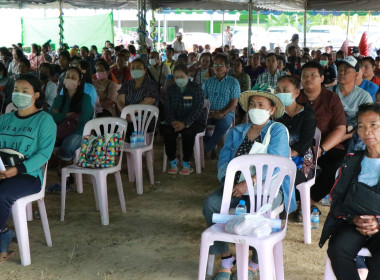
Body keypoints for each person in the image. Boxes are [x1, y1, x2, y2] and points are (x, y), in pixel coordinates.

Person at [203, 89, 292, 280]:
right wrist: (229, 181)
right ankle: (226, 258)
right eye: (252, 104)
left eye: (261, 105)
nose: (256, 108)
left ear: (271, 110)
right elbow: (224, 161)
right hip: (236, 187)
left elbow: (276, 163)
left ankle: (254, 264)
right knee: (211, 204)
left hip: (267, 190)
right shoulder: (237, 131)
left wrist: (249, 182)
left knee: (258, 214)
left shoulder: (276, 130)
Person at [319, 103, 380, 280]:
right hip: (354, 222)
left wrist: (377, 221)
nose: (366, 131)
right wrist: (353, 219)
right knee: (338, 249)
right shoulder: (351, 161)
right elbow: (336, 199)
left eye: (373, 125)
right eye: (361, 126)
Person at [0, 74, 56, 263]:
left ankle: (2, 237)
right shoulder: (4, 119)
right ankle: (4, 234)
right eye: (16, 90)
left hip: (28, 176)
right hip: (2, 171)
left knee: (2, 194)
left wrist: (17, 170)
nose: (19, 94)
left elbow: (43, 154)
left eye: (25, 91)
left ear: (36, 95)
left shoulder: (45, 120)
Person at [297, 61, 346, 212]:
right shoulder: (296, 97)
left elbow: (340, 128)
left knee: (336, 167)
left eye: (313, 75)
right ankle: (294, 199)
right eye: (305, 76)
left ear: (322, 78)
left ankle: (308, 202)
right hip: (299, 145)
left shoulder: (331, 98)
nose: (308, 79)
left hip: (327, 146)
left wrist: (321, 149)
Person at [275, 75, 316, 221]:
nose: (280, 93)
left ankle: (286, 208)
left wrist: (286, 156)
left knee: (283, 173)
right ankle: (276, 205)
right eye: (278, 90)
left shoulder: (307, 113)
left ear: (297, 93)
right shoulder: (276, 114)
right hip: (279, 156)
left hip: (302, 159)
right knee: (270, 172)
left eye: (285, 90)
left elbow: (305, 143)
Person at [162, 64, 206, 175]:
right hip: (175, 121)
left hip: (194, 121)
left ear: (188, 75)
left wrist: (185, 123)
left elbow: (198, 109)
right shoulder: (171, 89)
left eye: (181, 76)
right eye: (176, 77)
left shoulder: (196, 88)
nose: (179, 79)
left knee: (188, 133)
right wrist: (172, 121)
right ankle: (173, 162)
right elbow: (167, 108)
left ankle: (186, 163)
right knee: (166, 131)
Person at [50, 67, 94, 167]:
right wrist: (67, 115)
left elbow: (84, 120)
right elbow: (52, 117)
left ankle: (66, 167)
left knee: (67, 146)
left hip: (79, 131)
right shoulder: (59, 99)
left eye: (73, 77)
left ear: (79, 82)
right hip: (59, 130)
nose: (70, 79)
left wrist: (59, 115)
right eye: (67, 76)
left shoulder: (85, 98)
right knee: (45, 142)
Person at [202, 54, 240, 158]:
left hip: (226, 114)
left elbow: (234, 102)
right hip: (209, 113)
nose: (217, 67)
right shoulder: (208, 82)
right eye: (215, 64)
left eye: (220, 65)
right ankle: (211, 145)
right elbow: (202, 99)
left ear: (227, 67)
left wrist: (222, 113)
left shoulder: (233, 82)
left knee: (222, 125)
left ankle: (207, 148)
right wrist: (208, 112)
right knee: (198, 123)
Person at [116, 58, 159, 138]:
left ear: (145, 70)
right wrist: (125, 113)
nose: (135, 70)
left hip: (145, 119)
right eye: (132, 68)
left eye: (138, 68)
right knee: (114, 128)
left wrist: (130, 113)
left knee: (130, 128)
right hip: (127, 117)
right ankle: (118, 150)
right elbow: (120, 100)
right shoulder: (127, 84)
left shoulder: (151, 85)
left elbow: (148, 101)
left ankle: (131, 150)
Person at [335, 56, 373, 143]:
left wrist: (344, 137)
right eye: (340, 69)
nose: (341, 72)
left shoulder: (364, 97)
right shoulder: (329, 92)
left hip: (353, 137)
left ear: (356, 74)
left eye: (346, 70)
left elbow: (367, 124)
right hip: (332, 133)